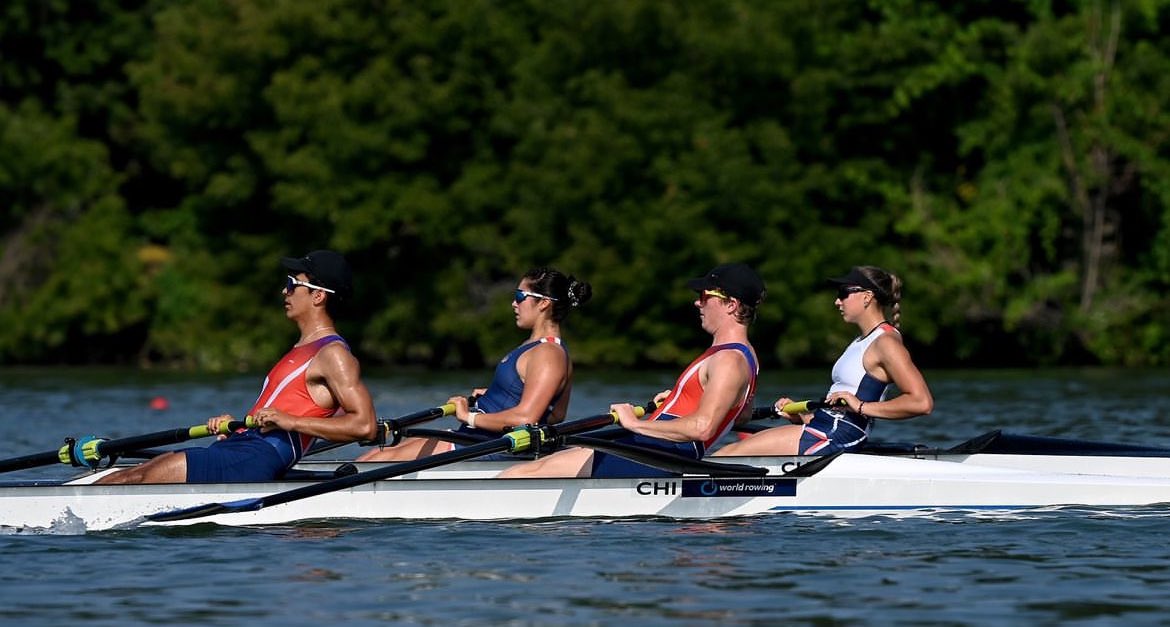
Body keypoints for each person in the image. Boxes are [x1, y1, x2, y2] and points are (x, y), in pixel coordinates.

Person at [97, 250, 378, 484]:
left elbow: (364, 426)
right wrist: (237, 427)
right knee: (133, 474)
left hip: (257, 458)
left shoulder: (334, 354)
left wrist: (291, 422)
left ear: (318, 296)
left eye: (293, 283)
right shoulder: (301, 350)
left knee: (137, 479)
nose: (285, 291)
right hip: (242, 446)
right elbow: (282, 411)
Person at [498, 263, 763, 479]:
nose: (697, 303)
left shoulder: (729, 359)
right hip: (658, 448)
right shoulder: (744, 354)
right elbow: (740, 415)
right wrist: (677, 401)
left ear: (732, 305)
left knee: (521, 474)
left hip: (660, 454)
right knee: (544, 464)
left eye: (705, 296)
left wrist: (634, 423)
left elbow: (703, 428)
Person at [356, 267, 592, 462]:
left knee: (375, 462)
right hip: (475, 438)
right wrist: (496, 396)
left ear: (543, 304)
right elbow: (555, 413)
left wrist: (468, 417)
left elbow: (526, 419)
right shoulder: (535, 345)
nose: (513, 303)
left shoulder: (548, 354)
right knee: (374, 456)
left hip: (487, 447)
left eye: (520, 296)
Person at [714, 265, 932, 457]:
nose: (837, 301)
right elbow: (841, 407)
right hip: (826, 428)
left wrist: (861, 406)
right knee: (733, 450)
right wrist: (803, 417)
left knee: (726, 454)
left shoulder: (886, 342)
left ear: (867, 296)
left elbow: (921, 402)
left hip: (838, 435)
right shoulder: (861, 341)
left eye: (843, 293)